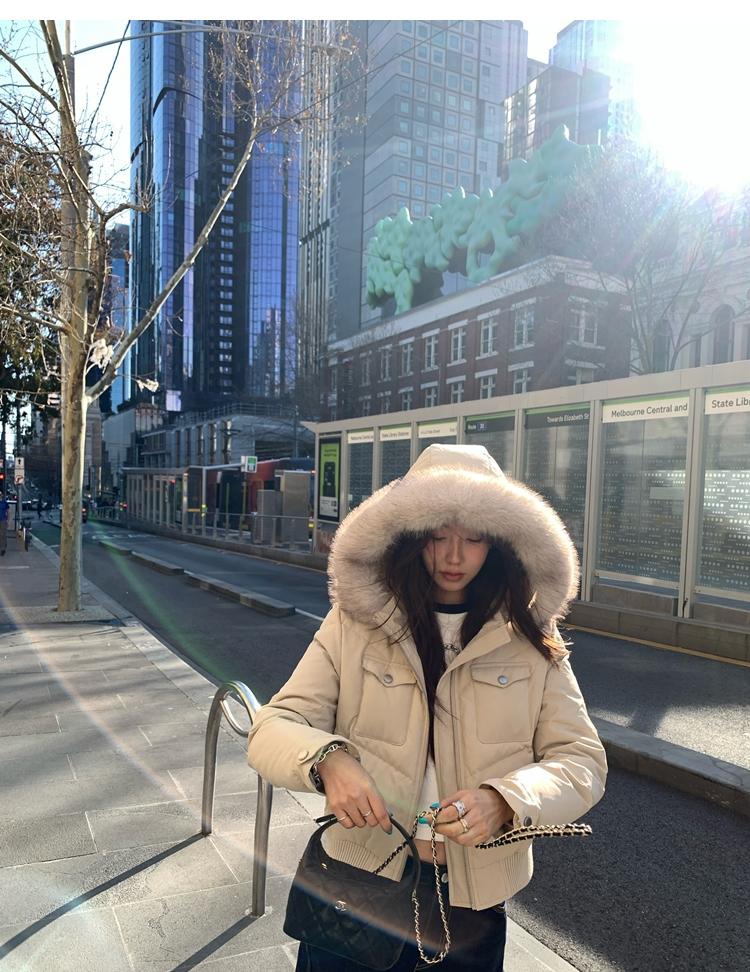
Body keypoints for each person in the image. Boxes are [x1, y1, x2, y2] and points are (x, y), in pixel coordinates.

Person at [247, 444, 607, 971]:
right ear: (410, 536)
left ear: (500, 541)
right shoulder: (356, 623)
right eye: (438, 536)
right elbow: (273, 726)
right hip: (359, 882)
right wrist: (329, 760)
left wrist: (505, 800)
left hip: (471, 904)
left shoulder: (528, 636)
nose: (454, 556)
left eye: (474, 538)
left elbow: (581, 761)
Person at [0, 490, 9, 556]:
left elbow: (8, 511)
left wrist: (7, 520)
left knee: (2, 534)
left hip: (3, 520)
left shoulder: (4, 503)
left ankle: (3, 549)